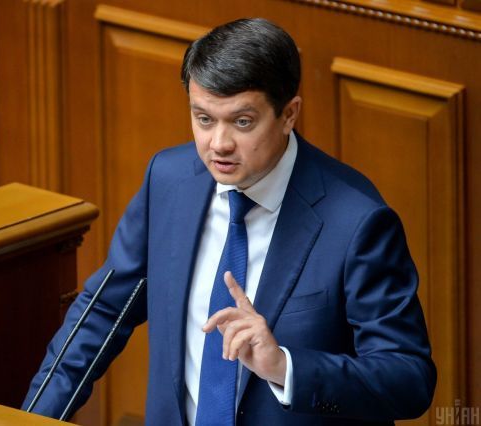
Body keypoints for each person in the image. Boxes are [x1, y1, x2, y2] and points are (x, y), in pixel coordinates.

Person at [22, 18, 436, 425]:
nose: (218, 144)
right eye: (203, 119)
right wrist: (31, 419)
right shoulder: (168, 181)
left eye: (242, 122)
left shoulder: (357, 222)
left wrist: (285, 367)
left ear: (289, 114)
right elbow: (104, 312)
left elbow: (408, 379)